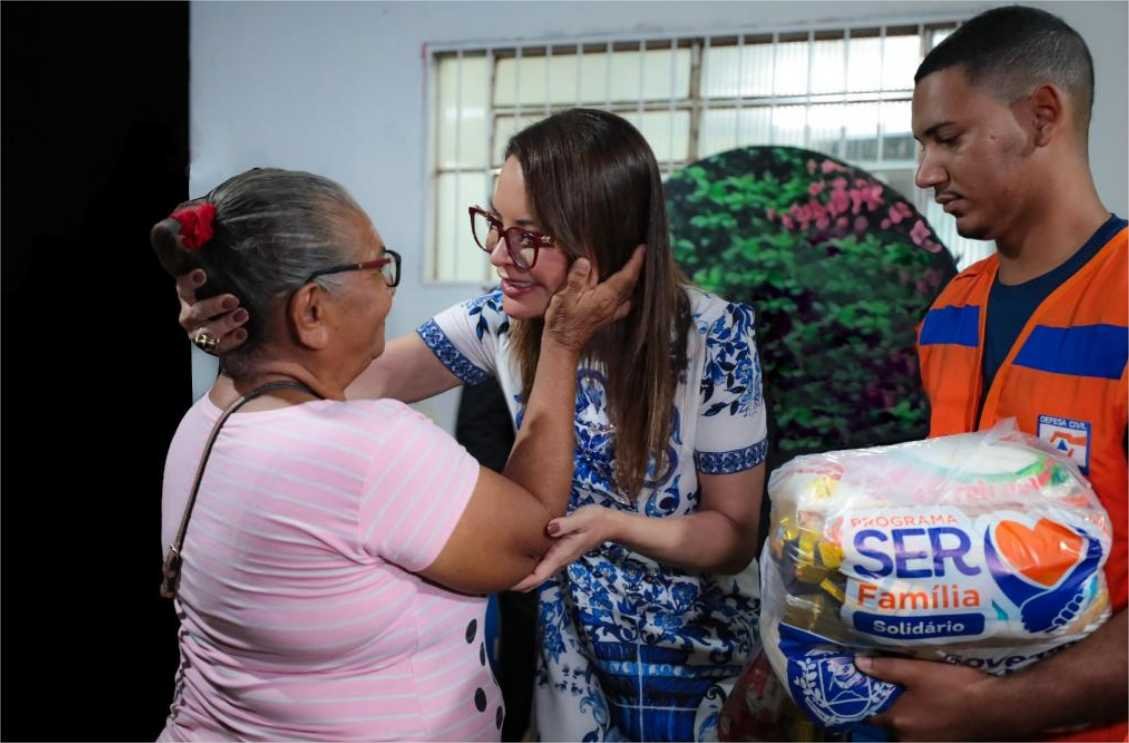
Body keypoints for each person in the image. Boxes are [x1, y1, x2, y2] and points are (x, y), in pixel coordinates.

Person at [177, 109, 768, 741]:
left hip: (691, 656)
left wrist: (614, 527)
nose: (499, 256)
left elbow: (732, 536)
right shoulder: (502, 321)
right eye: (494, 224)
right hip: (565, 662)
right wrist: (250, 339)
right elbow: (341, 375)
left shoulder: (715, 338)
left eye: (528, 237)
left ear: (604, 240)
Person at [153, 167, 640, 741]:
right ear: (311, 311)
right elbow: (532, 538)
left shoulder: (206, 421)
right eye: (379, 266)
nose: (390, 288)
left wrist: (245, 338)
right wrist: (560, 345)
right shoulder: (371, 448)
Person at [856, 7, 1128, 741]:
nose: (924, 173)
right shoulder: (948, 313)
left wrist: (994, 709)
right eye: (921, 143)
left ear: (1042, 116)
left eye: (947, 138)